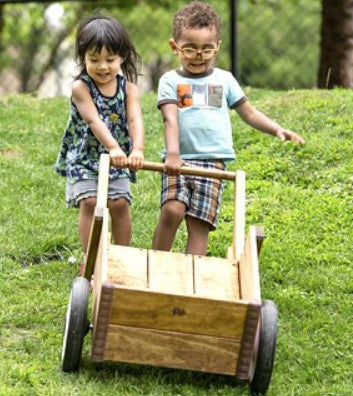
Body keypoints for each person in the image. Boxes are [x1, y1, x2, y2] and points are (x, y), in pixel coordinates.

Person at [152, 1, 305, 256]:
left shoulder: (224, 79)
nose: (198, 56)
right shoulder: (170, 80)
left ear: (217, 47)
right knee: (172, 210)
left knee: (199, 224)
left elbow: (250, 112)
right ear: (175, 46)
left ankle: (192, 283)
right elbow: (170, 119)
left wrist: (277, 129)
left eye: (207, 49)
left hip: (214, 164)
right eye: (190, 49)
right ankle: (153, 266)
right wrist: (173, 153)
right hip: (179, 159)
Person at [55, 15, 144, 271]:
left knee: (119, 203)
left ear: (122, 57)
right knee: (90, 202)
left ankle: (122, 258)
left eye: (110, 60)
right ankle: (91, 258)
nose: (102, 66)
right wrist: (113, 147)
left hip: (118, 158)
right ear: (83, 58)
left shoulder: (129, 90)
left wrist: (136, 148)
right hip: (86, 155)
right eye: (94, 60)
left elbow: (136, 119)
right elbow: (94, 121)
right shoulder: (80, 88)